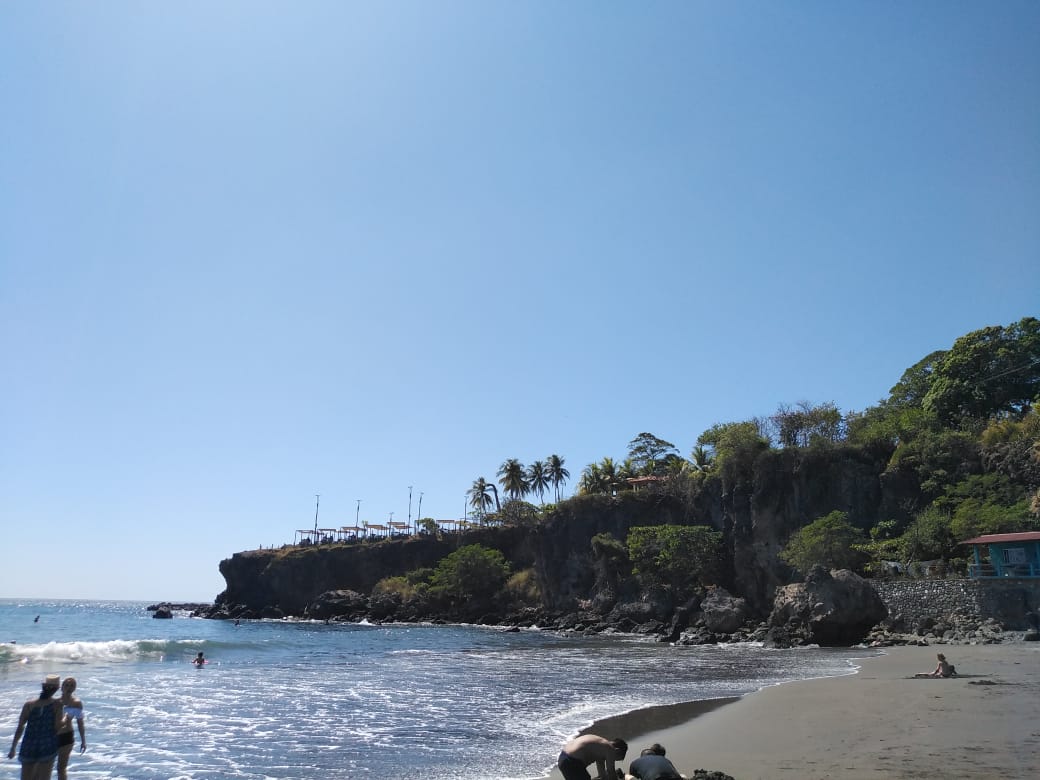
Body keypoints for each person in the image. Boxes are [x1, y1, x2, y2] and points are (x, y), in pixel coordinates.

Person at [7, 674, 64, 780]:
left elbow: (20, 727)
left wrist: (13, 747)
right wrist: (65, 720)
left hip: (29, 745)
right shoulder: (57, 705)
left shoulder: (29, 704)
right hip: (47, 744)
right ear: (57, 689)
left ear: (43, 687)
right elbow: (57, 727)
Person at [557, 734, 628, 780]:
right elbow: (611, 771)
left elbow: (602, 775)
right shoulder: (609, 748)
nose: (612, 760)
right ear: (617, 750)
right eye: (615, 759)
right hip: (572, 761)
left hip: (562, 759)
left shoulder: (600, 747)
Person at [56, 677, 86, 780]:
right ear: (62, 687)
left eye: (72, 685)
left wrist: (83, 741)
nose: (69, 687)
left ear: (75, 688)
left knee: (61, 768)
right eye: (67, 685)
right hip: (53, 736)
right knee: (45, 765)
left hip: (67, 737)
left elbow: (80, 723)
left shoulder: (76, 703)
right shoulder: (55, 702)